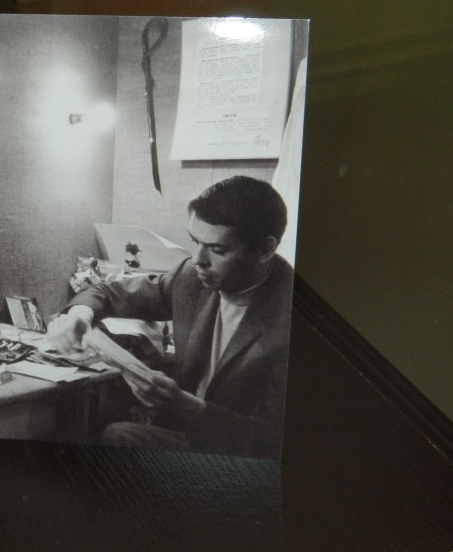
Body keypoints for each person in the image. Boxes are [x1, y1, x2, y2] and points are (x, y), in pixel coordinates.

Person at [46, 176, 293, 458]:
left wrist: (186, 407)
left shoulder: (294, 318)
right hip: (186, 435)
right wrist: (80, 314)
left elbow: (274, 441)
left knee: (113, 438)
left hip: (240, 458)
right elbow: (108, 292)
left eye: (218, 250)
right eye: (195, 242)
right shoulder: (190, 278)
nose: (199, 259)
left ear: (265, 249)